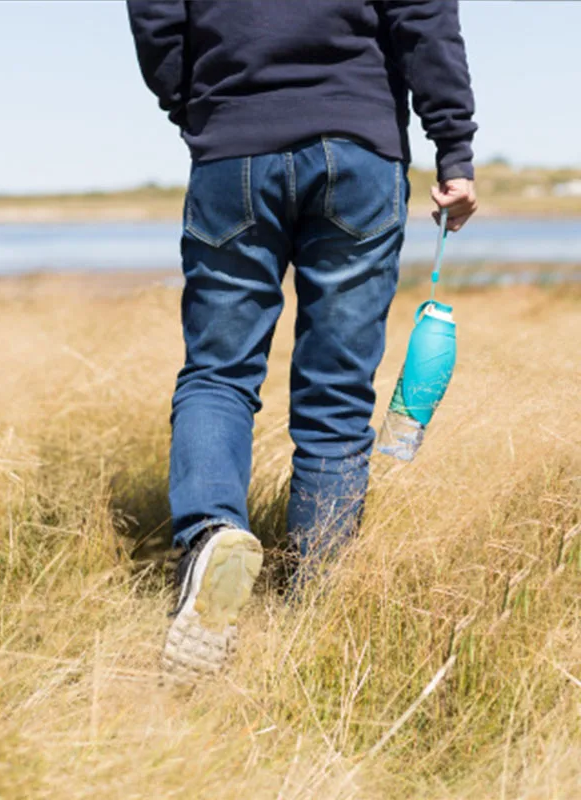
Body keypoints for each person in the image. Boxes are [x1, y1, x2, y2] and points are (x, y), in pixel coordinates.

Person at [127, 0, 478, 678]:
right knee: (337, 395)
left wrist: (202, 107)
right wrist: (454, 148)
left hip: (233, 150)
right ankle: (315, 604)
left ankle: (211, 538)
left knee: (218, 374)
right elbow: (424, 16)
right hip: (359, 149)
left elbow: (155, 19)